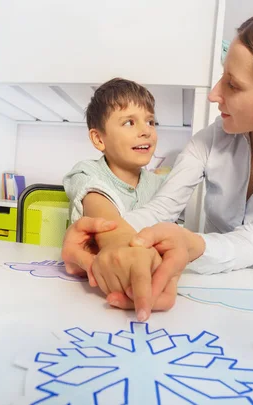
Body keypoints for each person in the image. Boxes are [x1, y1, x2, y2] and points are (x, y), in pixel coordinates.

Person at [62, 9, 253, 319]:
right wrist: (110, 241)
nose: (214, 94)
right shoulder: (212, 139)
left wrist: (187, 244)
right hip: (207, 287)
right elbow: (159, 210)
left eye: (233, 85)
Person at [62, 78, 169, 318]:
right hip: (87, 298)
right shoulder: (86, 172)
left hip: (144, 285)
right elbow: (97, 203)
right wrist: (119, 241)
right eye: (129, 122)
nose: (146, 131)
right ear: (99, 139)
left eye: (151, 121)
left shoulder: (160, 185)